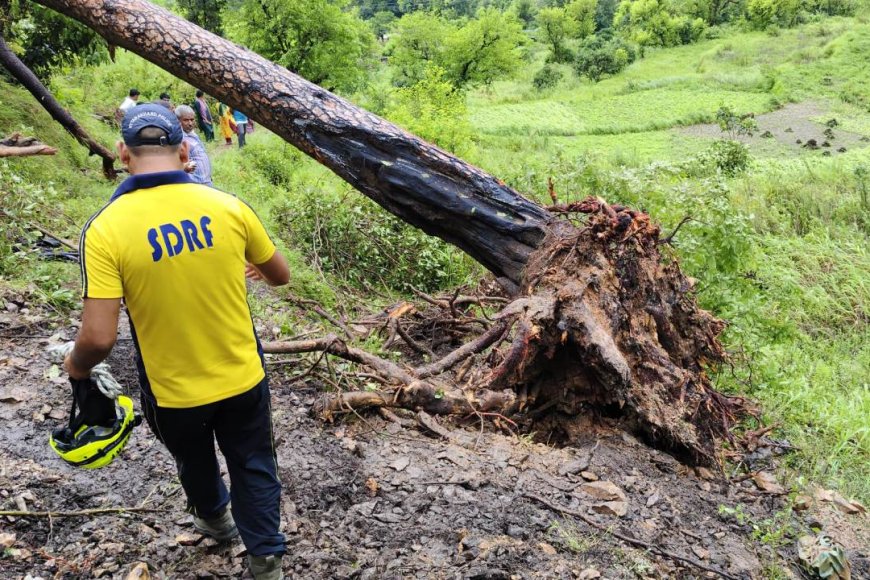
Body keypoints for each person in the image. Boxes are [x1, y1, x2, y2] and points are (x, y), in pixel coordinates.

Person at [63, 103, 290, 580]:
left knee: (193, 457)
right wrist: (250, 266)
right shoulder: (228, 206)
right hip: (242, 372)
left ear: (123, 153)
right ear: (185, 151)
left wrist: (76, 367)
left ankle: (214, 518)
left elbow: (99, 337)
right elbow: (280, 276)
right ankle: (265, 557)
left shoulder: (105, 229)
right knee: (253, 461)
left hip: (173, 389)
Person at [175, 104, 213, 186]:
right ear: (177, 120)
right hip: (196, 184)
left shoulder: (192, 134)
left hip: (206, 181)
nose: (190, 123)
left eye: (192, 120)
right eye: (186, 120)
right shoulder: (179, 138)